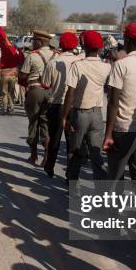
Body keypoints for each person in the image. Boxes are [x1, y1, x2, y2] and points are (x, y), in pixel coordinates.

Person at [103, 23, 136, 181]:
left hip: (123, 129)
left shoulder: (121, 65)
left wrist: (108, 134)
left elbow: (113, 102)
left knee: (115, 177)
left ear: (129, 40)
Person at [60, 30, 111, 183]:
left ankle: (73, 185)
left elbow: (70, 93)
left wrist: (64, 116)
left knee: (75, 152)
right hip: (97, 115)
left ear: (84, 46)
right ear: (100, 48)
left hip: (80, 113)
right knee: (96, 154)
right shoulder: (106, 67)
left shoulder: (78, 66)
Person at [41, 32, 81, 177]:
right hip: (74, 107)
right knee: (71, 142)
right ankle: (70, 173)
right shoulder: (80, 61)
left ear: (61, 45)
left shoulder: (53, 62)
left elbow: (45, 84)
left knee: (54, 139)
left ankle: (50, 167)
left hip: (57, 105)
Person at [19, 30, 55, 165]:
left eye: (34, 41)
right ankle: (46, 157)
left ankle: (33, 155)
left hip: (35, 90)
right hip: (51, 92)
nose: (32, 43)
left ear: (40, 42)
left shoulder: (32, 56)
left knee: (33, 122)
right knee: (46, 123)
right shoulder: (56, 55)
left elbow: (22, 76)